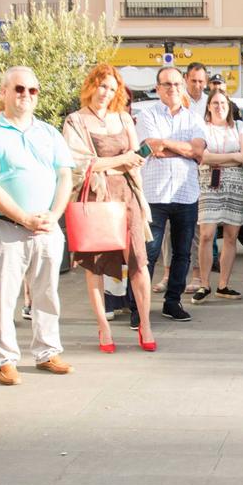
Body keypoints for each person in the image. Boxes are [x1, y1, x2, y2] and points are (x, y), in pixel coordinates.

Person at [0, 66, 74, 382]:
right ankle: (4, 358)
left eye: (32, 90)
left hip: (46, 226)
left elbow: (64, 176)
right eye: (19, 89)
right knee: (4, 295)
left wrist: (54, 215)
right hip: (8, 226)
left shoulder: (49, 132)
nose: (26, 96)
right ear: (4, 92)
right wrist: (23, 217)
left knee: (47, 292)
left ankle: (47, 351)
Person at [63, 63, 156, 351]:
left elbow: (135, 158)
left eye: (112, 88)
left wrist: (134, 159)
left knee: (140, 261)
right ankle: (103, 328)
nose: (106, 93)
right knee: (96, 265)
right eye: (102, 86)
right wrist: (120, 160)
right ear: (92, 84)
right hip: (96, 197)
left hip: (127, 194)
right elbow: (79, 163)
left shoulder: (124, 119)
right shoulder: (75, 121)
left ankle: (146, 324)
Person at [135, 65, 206, 323]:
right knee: (148, 254)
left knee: (182, 253)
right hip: (154, 195)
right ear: (158, 88)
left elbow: (198, 151)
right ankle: (139, 309)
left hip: (185, 194)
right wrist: (182, 149)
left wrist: (167, 144)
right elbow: (151, 147)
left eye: (177, 84)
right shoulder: (147, 115)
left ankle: (172, 302)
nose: (173, 89)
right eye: (167, 84)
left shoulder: (194, 118)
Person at [193, 88, 243, 301]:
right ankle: (204, 284)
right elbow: (202, 157)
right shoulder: (202, 127)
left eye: (223, 104)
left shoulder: (240, 127)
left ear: (229, 107)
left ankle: (224, 284)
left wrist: (219, 157)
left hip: (234, 183)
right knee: (207, 234)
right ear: (208, 106)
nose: (219, 107)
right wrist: (232, 156)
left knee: (231, 236)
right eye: (215, 103)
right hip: (209, 182)